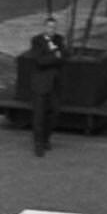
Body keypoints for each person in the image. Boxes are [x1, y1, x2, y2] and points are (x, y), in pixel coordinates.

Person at [27, 15, 65, 156]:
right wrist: (55, 56)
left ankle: (46, 138)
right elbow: (39, 61)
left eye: (54, 28)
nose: (52, 30)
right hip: (40, 83)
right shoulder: (37, 41)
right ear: (44, 27)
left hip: (54, 83)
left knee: (54, 112)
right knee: (39, 114)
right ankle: (38, 144)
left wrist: (56, 57)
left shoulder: (59, 40)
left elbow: (65, 55)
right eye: (49, 27)